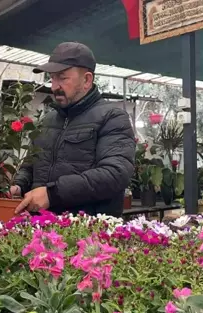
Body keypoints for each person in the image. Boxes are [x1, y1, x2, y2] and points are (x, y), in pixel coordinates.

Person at [12, 41, 136, 217]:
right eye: (52, 78)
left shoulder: (112, 118)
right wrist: (18, 185)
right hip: (43, 232)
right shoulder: (47, 121)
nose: (54, 87)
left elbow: (115, 174)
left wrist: (52, 194)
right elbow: (31, 165)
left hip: (88, 235)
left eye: (62, 78)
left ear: (86, 80)